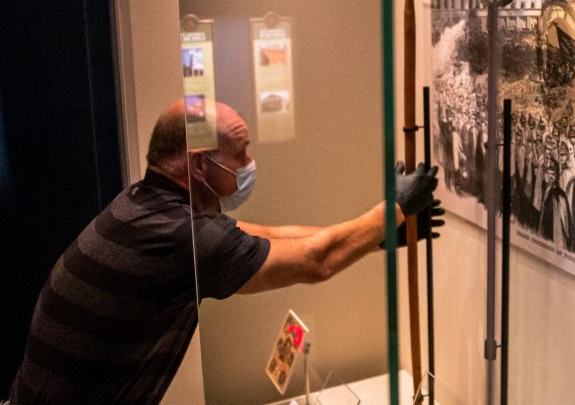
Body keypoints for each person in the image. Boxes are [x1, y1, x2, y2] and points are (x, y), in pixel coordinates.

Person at [7, 100, 439, 405]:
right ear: (198, 165)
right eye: (240, 153)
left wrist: (378, 235)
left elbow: (268, 235)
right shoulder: (181, 237)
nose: (249, 163)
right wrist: (395, 208)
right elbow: (315, 262)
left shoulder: (146, 206)